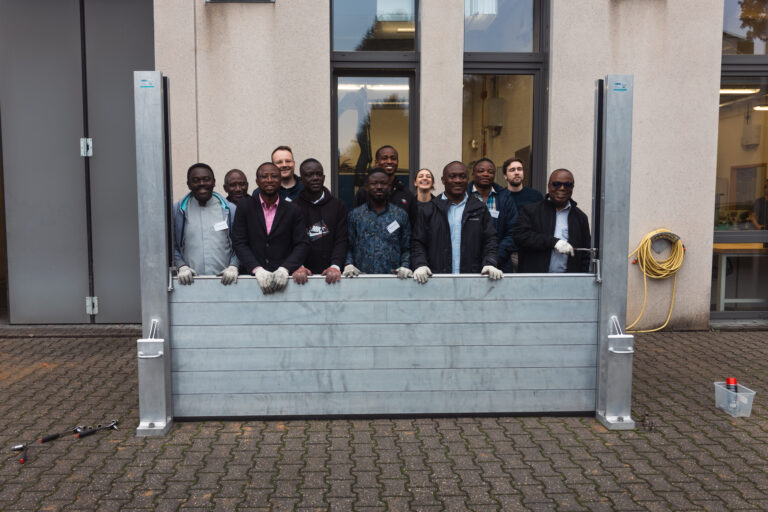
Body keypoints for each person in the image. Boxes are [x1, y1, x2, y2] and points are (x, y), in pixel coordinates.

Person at [411, 161, 502, 283]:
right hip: (436, 280)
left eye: (462, 176)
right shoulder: (430, 209)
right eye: (452, 176)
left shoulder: (479, 208)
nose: (458, 180)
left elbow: (490, 239)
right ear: (443, 180)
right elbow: (418, 242)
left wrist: (490, 262)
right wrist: (420, 264)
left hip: (472, 280)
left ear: (468, 179)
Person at [232, 162, 309, 294]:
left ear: (280, 180)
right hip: (252, 280)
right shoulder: (245, 206)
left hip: (285, 281)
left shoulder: (293, 209)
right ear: (257, 181)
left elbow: (302, 244)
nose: (269, 180)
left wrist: (285, 268)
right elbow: (239, 242)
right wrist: (257, 269)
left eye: (274, 176)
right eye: (264, 176)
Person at [511, 168, 591, 273]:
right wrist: (553, 242)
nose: (562, 188)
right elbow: (520, 236)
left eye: (567, 185)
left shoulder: (580, 217)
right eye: (556, 184)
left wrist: (582, 279)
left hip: (569, 282)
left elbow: (585, 254)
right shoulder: (531, 211)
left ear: (572, 188)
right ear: (549, 186)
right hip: (534, 281)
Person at [172, 163, 239, 286]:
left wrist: (234, 266)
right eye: (196, 180)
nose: (202, 183)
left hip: (225, 282)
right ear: (188, 184)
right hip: (189, 283)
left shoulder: (230, 210)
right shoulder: (177, 211)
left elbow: (240, 244)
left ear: (214, 182)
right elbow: (172, 245)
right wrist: (181, 266)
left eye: (206, 179)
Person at [344, 168, 412, 278]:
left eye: (383, 183)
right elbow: (348, 246)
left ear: (389, 187)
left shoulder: (400, 215)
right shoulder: (355, 215)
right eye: (374, 183)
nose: (379, 187)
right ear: (366, 187)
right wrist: (349, 264)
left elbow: (407, 247)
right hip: (360, 279)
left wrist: (405, 265)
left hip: (394, 279)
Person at [292, 158, 349, 285]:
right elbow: (289, 241)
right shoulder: (292, 207)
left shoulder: (338, 206)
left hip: (333, 276)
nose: (315, 178)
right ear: (301, 180)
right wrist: (298, 265)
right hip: (300, 276)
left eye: (319, 174)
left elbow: (341, 239)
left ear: (323, 177)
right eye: (309, 175)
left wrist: (335, 266)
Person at [467, 158, 518, 273]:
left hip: (500, 264)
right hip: (468, 264)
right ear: (473, 174)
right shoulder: (463, 196)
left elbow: (513, 232)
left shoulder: (505, 198)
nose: (486, 174)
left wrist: (493, 258)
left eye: (490, 172)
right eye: (481, 171)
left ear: (494, 175)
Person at [354, 145, 418, 223]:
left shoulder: (407, 194)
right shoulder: (364, 192)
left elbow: (413, 225)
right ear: (376, 163)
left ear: (397, 162)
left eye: (393, 158)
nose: (389, 161)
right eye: (385, 158)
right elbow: (355, 221)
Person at [502, 157, 542, 270]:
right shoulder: (501, 196)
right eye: (512, 170)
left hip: (530, 251)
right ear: (505, 176)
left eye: (519, 169)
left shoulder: (536, 196)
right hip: (508, 253)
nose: (516, 172)